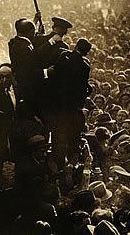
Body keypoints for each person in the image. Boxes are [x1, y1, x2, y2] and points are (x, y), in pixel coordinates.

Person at [45, 38, 93, 166]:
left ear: (76, 46)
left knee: (58, 141)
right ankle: (71, 168)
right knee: (73, 142)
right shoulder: (85, 66)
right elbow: (84, 88)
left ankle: (59, 166)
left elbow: (55, 75)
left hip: (59, 109)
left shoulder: (65, 56)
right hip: (74, 111)